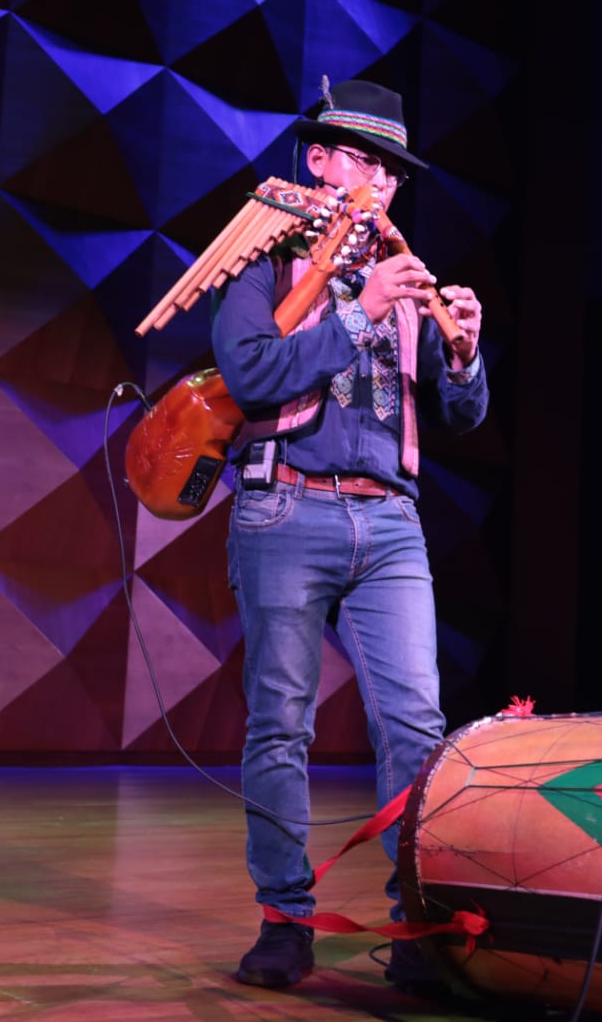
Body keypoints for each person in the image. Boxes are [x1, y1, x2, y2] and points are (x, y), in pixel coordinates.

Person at [212, 78, 488, 990]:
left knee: (418, 727)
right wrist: (358, 309)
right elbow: (250, 375)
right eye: (360, 160)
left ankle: (418, 927)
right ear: (319, 162)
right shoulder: (263, 260)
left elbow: (459, 412)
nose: (375, 182)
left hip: (392, 520)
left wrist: (463, 352)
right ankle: (285, 921)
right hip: (285, 507)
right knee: (279, 724)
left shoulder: (407, 280)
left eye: (390, 170)